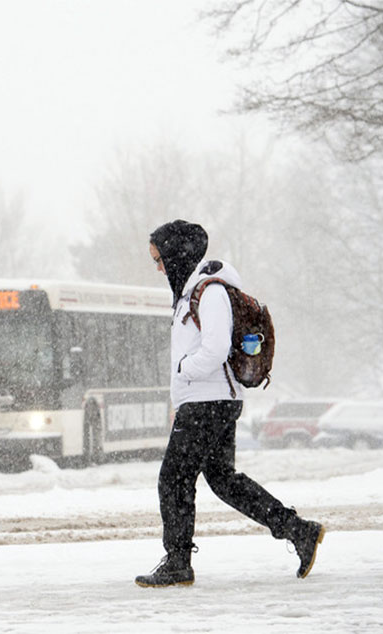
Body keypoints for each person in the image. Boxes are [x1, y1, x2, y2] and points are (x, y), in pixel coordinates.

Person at [136, 220, 325, 588]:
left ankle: (178, 562)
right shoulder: (192, 292)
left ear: (175, 256)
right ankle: (297, 530)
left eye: (159, 259)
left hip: (208, 402)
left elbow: (216, 348)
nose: (158, 268)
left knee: (173, 478)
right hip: (208, 400)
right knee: (223, 480)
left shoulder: (209, 292)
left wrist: (182, 369)